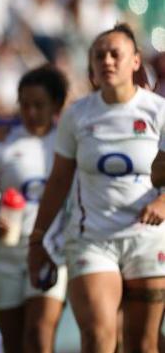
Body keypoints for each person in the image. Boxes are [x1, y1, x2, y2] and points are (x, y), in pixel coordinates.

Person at [28, 24, 165, 353]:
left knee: (143, 345)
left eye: (115, 54)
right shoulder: (77, 115)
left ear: (135, 62)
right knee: (98, 337)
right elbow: (59, 180)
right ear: (90, 65)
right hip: (92, 239)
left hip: (148, 239)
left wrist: (163, 202)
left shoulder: (158, 111)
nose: (107, 61)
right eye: (99, 55)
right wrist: (38, 237)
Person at [0, 65, 69, 353]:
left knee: (38, 337)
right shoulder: (0, 146)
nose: (31, 112)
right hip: (5, 257)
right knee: (13, 344)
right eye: (24, 104)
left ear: (56, 105)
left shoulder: (69, 142)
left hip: (51, 253)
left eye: (39, 105)